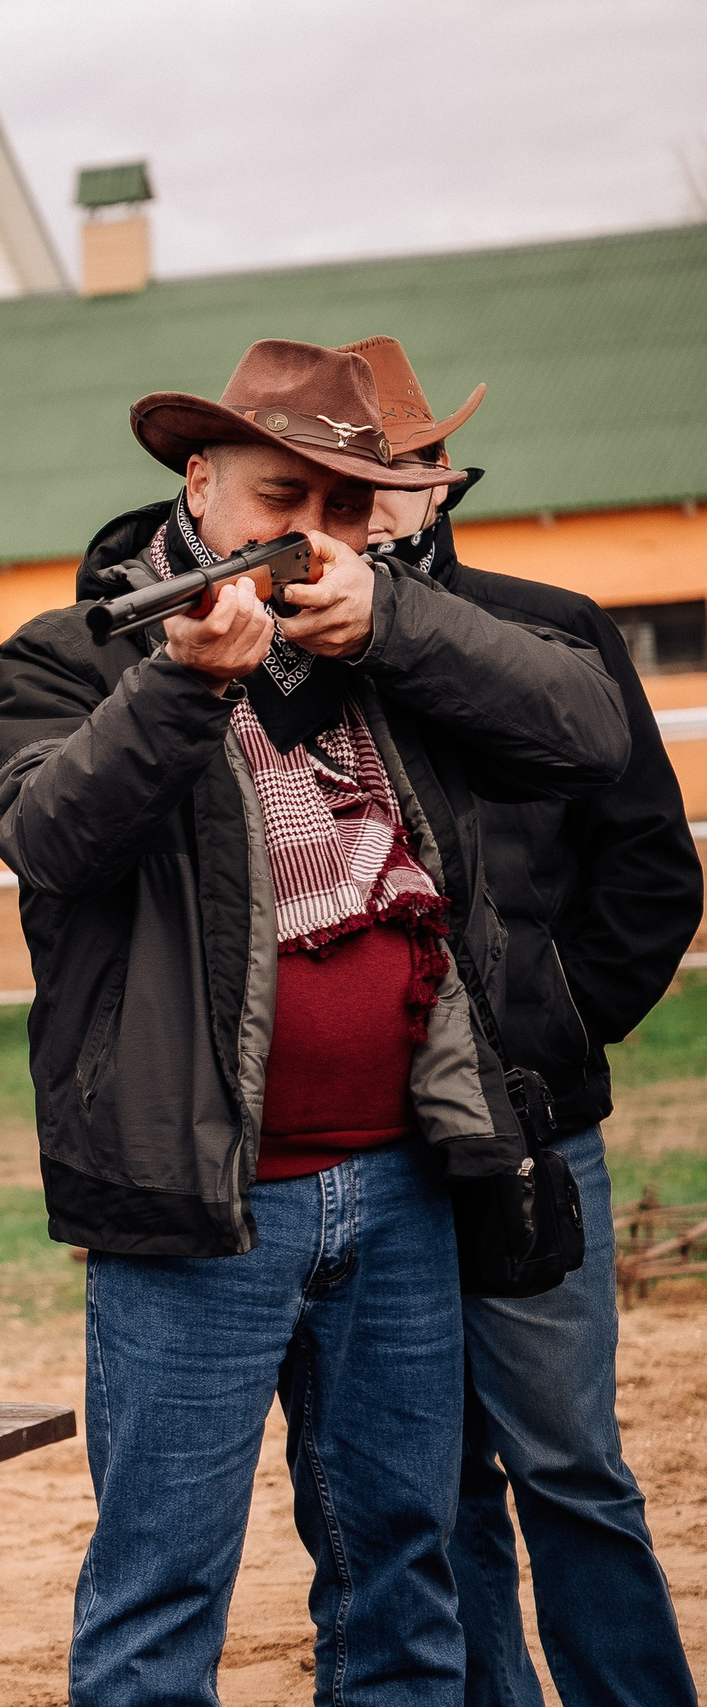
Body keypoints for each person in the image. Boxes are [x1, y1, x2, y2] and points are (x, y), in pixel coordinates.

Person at [0, 339, 630, 1705]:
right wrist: (182, 685)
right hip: (198, 1192)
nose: (316, 536)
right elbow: (50, 835)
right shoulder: (74, 651)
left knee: (402, 1568)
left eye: (347, 506)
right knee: (163, 1582)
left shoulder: (398, 638)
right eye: (286, 496)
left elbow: (588, 730)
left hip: (408, 1177)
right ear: (202, 481)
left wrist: (398, 628)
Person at [344, 336, 701, 1707]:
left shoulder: (552, 625)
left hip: (536, 1121)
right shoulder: (289, 652)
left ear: (442, 479)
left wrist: (551, 1025)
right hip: (366, 1145)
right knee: (426, 1484)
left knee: (569, 1461)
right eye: (335, 474)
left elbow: (653, 869)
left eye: (391, 469)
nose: (369, 497)